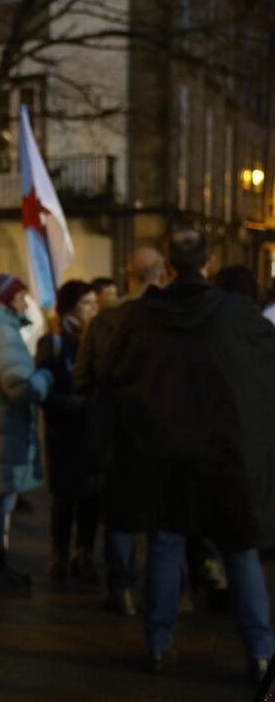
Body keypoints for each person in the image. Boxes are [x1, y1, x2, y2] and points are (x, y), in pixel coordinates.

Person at [105, 230, 275, 679]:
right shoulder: (240, 318)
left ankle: (158, 644)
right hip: (226, 456)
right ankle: (260, 651)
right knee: (240, 552)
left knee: (165, 544)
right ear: (211, 262)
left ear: (168, 265)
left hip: (164, 454)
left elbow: (115, 380)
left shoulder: (141, 318)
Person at [73, 246, 164, 617]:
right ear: (162, 274)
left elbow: (82, 377)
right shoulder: (173, 319)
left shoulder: (107, 320)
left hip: (117, 432)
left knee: (121, 517)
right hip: (163, 433)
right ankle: (162, 597)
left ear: (129, 274)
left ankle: (121, 588)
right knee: (164, 522)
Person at [0, 272, 52, 596]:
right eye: (20, 295)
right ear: (7, 298)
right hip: (1, 432)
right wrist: (45, 377)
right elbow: (19, 386)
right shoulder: (3, 332)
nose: (25, 301)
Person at [36, 280, 100, 582]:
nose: (93, 309)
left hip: (91, 430)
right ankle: (59, 555)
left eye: (93, 303)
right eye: (87, 304)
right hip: (63, 432)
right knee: (63, 499)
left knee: (90, 496)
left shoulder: (97, 338)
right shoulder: (53, 342)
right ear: (71, 307)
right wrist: (67, 403)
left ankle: (84, 553)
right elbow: (44, 388)